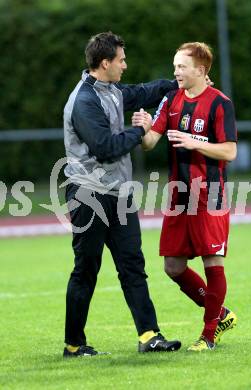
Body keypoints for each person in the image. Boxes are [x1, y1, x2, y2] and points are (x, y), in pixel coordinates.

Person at [62, 31, 182, 357]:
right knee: (86, 269)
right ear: (105, 63)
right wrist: (140, 130)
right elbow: (105, 148)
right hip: (88, 195)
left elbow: (145, 91)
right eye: (121, 60)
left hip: (119, 193)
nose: (125, 65)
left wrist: (184, 83)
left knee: (132, 264)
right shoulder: (84, 102)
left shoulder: (111, 90)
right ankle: (74, 344)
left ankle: (149, 335)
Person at [132, 42, 238, 352]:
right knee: (173, 267)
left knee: (212, 262)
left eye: (182, 66)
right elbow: (151, 142)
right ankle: (220, 314)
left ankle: (208, 335)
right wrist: (145, 128)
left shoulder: (220, 103)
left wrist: (194, 142)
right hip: (180, 195)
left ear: (201, 70)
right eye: (175, 65)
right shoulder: (171, 100)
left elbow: (229, 150)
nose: (176, 71)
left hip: (210, 193)